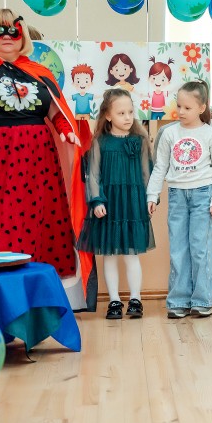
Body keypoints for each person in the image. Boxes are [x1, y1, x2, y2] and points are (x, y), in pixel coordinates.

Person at [0, 9, 85, 307]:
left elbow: (54, 110)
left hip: (35, 163)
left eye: (14, 31)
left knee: (34, 229)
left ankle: (33, 304)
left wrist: (66, 130)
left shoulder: (39, 72)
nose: (6, 36)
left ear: (23, 36)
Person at [147, 80, 212, 318]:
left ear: (201, 108)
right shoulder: (169, 133)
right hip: (177, 196)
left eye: (187, 108)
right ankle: (178, 301)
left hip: (203, 195)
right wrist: (152, 194)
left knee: (200, 249)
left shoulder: (211, 134)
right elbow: (160, 167)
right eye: (178, 106)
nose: (181, 111)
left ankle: (203, 300)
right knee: (178, 250)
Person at [78, 89, 155, 319]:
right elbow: (93, 175)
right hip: (108, 205)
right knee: (109, 255)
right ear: (108, 116)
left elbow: (147, 173)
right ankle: (113, 300)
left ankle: (135, 299)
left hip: (132, 204)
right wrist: (96, 201)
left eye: (130, 112)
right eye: (121, 113)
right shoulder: (100, 142)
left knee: (131, 255)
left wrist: (151, 198)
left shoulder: (139, 140)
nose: (128, 117)